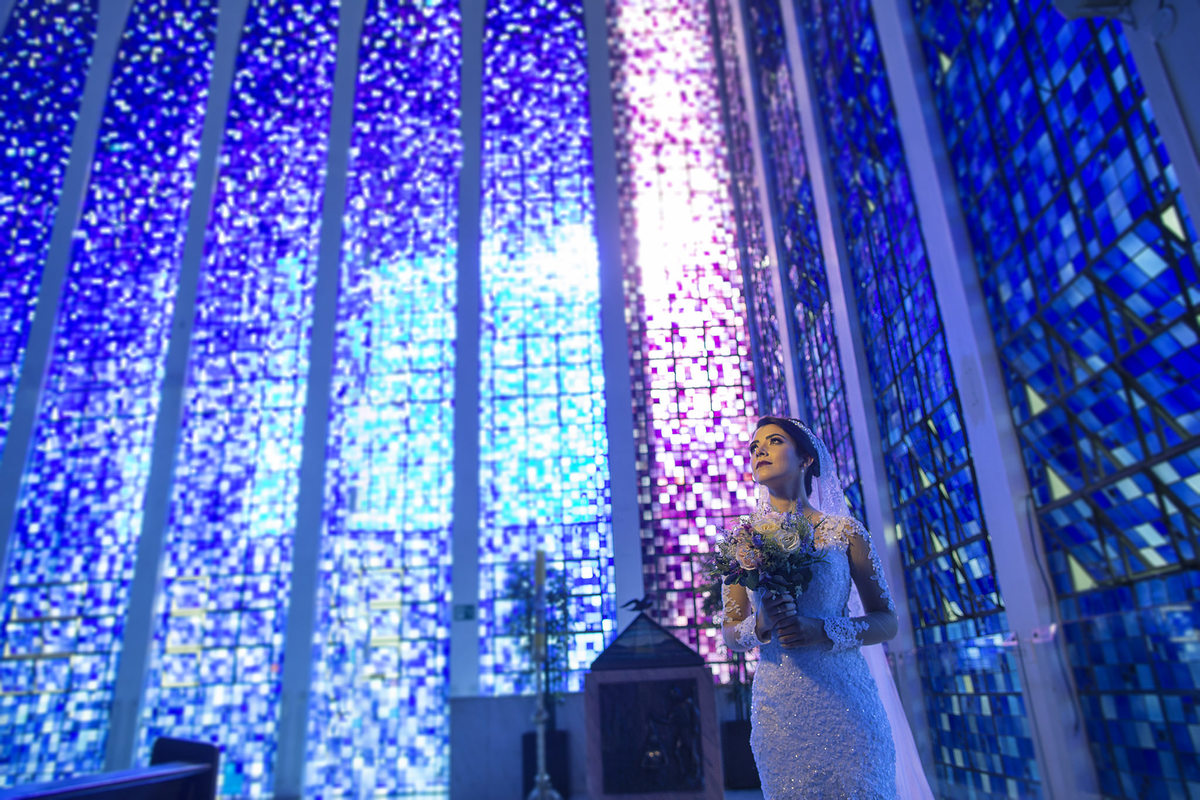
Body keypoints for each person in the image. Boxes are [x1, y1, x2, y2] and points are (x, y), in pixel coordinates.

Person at [719, 416, 931, 799]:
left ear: (806, 460)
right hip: (781, 714)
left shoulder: (846, 533)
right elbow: (731, 632)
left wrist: (823, 629)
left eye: (774, 441)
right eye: (754, 447)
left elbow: (887, 622)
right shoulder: (742, 541)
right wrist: (760, 624)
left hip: (848, 705)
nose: (759, 451)